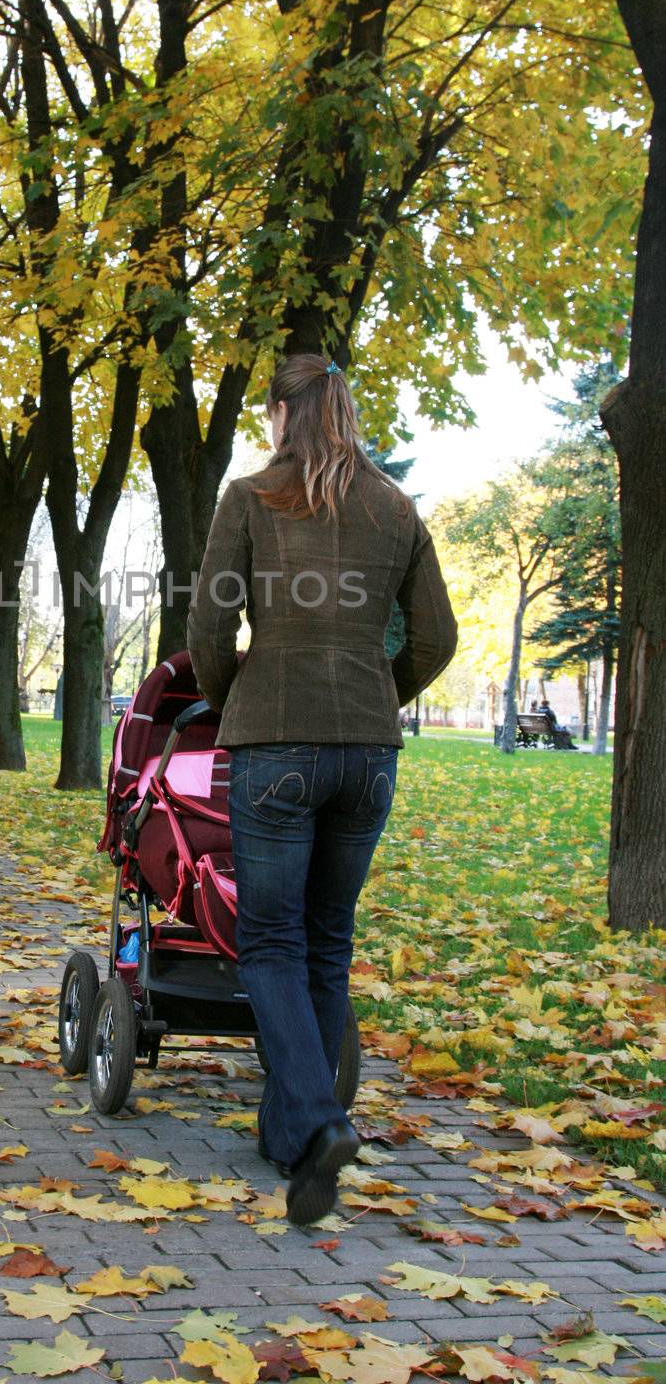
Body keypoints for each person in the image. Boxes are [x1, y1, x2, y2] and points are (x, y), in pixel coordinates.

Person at [186, 354, 457, 1228]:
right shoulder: (394, 506)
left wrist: (234, 701)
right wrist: (379, 693)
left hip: (276, 742)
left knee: (266, 942)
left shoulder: (253, 495)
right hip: (369, 755)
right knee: (325, 942)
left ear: (277, 413)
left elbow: (207, 623)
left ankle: (316, 1120)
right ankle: (289, 1135)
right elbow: (437, 637)